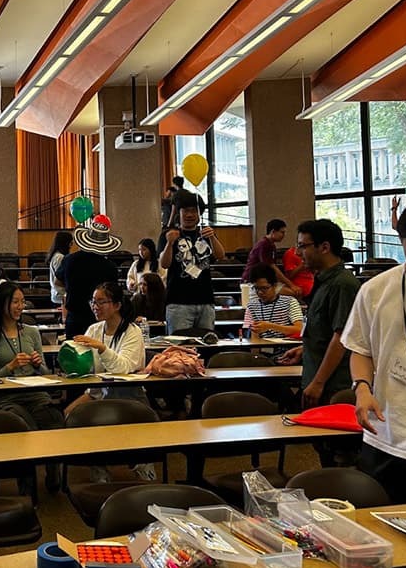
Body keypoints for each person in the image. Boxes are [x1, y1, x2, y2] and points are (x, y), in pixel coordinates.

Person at [342, 203, 406, 502]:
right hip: (385, 431)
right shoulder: (375, 290)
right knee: (382, 528)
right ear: (401, 242)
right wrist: (361, 388)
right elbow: (360, 349)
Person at [0, 281, 63, 491]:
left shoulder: (32, 332)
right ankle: (28, 488)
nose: (20, 306)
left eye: (22, 302)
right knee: (27, 430)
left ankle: (54, 479)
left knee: (55, 422)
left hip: (36, 394)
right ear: (2, 304)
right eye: (15, 302)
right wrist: (11, 366)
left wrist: (37, 364)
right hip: (7, 398)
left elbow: (46, 373)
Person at [67, 281, 154, 481]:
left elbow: (123, 368)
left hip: (129, 395)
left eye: (101, 302)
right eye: (93, 302)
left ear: (116, 305)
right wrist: (72, 363)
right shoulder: (94, 330)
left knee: (103, 419)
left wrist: (101, 348)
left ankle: (140, 461)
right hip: (99, 392)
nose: (95, 307)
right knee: (70, 415)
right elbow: (88, 367)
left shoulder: (132, 332)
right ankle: (98, 465)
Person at [279, 219, 359, 409]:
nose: (298, 253)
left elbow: (341, 338)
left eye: (302, 246)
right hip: (316, 373)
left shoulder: (342, 284)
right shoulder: (323, 280)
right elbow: (324, 329)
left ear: (324, 247)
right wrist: (305, 350)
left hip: (332, 385)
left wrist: (318, 382)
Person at [160, 193, 225, 333]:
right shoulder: (168, 234)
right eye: (186, 211)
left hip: (205, 300)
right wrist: (170, 243)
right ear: (179, 212)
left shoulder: (206, 233)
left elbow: (220, 256)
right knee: (179, 347)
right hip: (178, 302)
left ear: (200, 213)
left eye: (194, 211)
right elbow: (164, 264)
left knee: (207, 344)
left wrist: (213, 237)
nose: (190, 215)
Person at [57, 214, 121, 337]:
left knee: (76, 351)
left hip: (74, 317)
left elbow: (57, 281)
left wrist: (70, 285)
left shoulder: (70, 260)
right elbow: (113, 292)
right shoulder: (109, 266)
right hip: (100, 315)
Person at [241, 218, 300, 297]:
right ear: (273, 231)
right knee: (292, 292)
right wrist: (291, 284)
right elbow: (271, 267)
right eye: (282, 232)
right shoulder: (264, 244)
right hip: (252, 281)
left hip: (264, 280)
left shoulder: (271, 245)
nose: (284, 235)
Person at [242, 264, 304, 339]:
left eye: (264, 288)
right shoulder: (252, 306)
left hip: (286, 347)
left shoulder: (290, 302)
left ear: (275, 286)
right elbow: (251, 334)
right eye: (256, 288)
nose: (260, 292)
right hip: (261, 346)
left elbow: (299, 329)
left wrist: (270, 326)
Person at [47, 231, 73, 309]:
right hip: (60, 295)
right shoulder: (60, 257)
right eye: (70, 243)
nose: (71, 245)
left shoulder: (57, 256)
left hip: (58, 293)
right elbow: (60, 278)